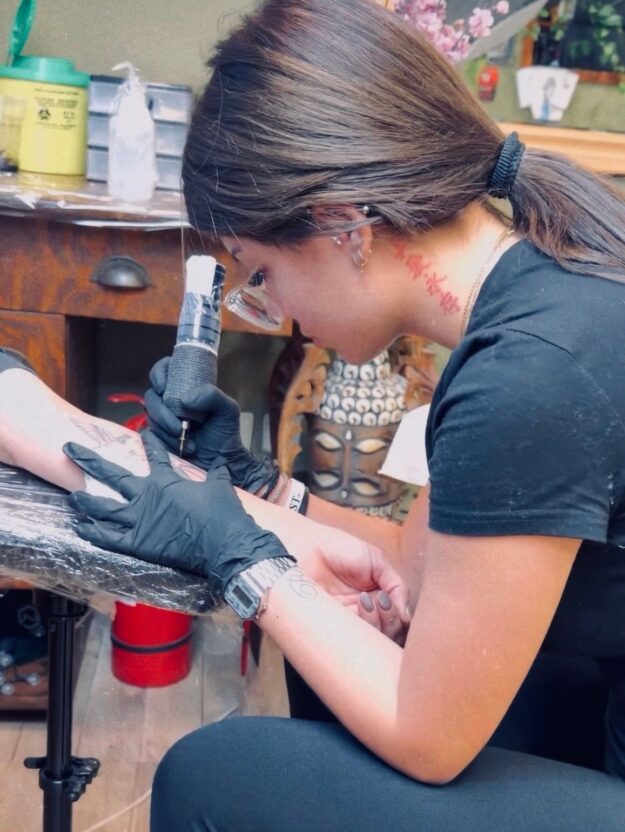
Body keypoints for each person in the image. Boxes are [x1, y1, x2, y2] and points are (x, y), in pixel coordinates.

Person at [10, 0, 625, 827]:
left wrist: (244, 560)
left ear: (343, 224)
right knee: (339, 643)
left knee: (215, 774)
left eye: (259, 273)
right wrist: (258, 485)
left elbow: (427, 737)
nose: (278, 312)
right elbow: (416, 567)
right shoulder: (537, 297)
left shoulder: (528, 376)